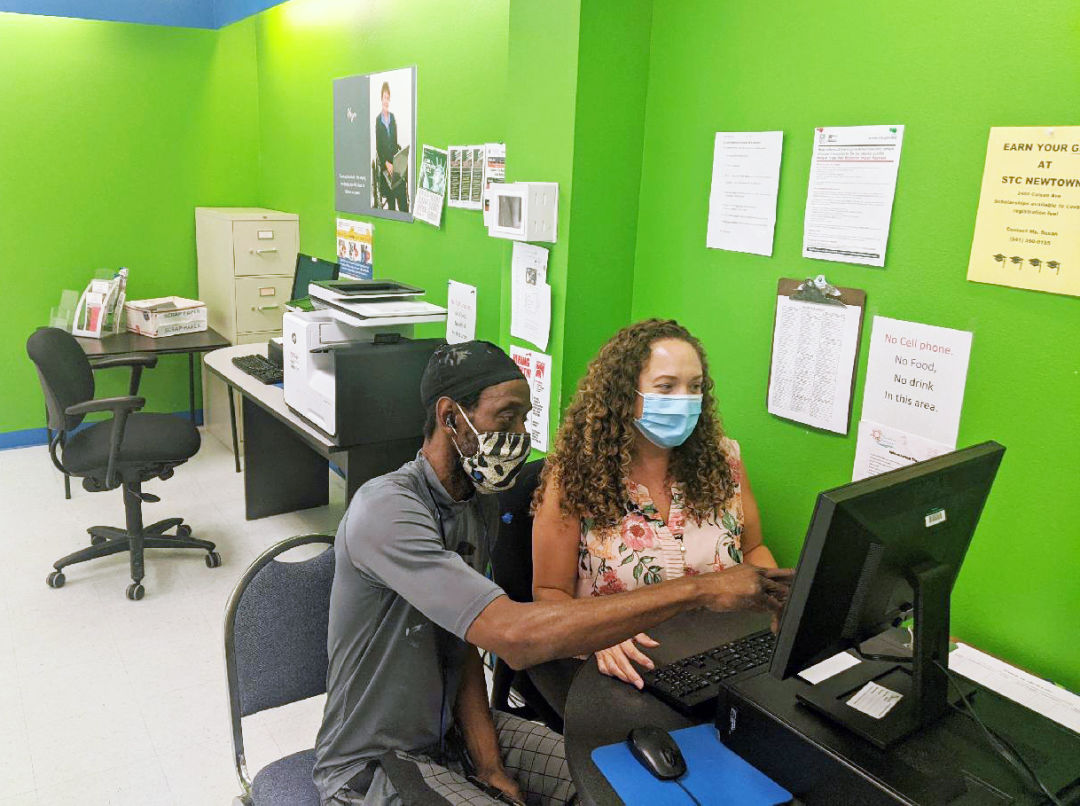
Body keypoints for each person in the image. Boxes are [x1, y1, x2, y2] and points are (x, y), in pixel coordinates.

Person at [313, 340, 792, 805]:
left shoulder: (476, 508)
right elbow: (514, 638)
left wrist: (491, 767)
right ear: (449, 417)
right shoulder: (387, 508)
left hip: (454, 732)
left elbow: (459, 645)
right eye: (506, 416)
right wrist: (700, 590)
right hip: (373, 760)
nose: (519, 434)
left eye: (524, 417)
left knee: (614, 787)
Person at [531, 319, 778, 700]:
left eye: (694, 387)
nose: (684, 399)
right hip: (625, 668)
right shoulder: (573, 476)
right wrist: (596, 637)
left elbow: (753, 551)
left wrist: (781, 603)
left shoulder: (725, 461)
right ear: (624, 395)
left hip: (719, 654)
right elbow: (549, 591)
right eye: (666, 387)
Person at [374, 81, 409, 212]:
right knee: (391, 193)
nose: (386, 101)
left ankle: (405, 214)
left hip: (394, 164)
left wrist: (396, 162)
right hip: (385, 167)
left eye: (388, 98)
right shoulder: (378, 121)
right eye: (384, 98)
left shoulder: (393, 118)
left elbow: (395, 143)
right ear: (381, 99)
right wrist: (387, 163)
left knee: (401, 190)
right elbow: (379, 147)